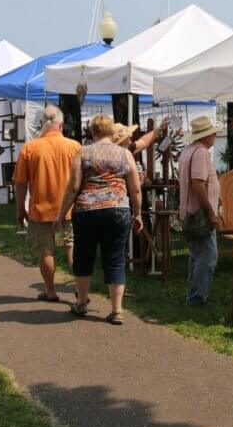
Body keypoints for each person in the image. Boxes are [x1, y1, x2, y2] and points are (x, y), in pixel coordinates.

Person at [57, 114, 142, 325]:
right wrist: (138, 213)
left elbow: (73, 187)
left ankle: (82, 302)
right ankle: (117, 310)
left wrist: (61, 214)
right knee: (115, 259)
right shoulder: (124, 154)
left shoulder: (83, 153)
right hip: (117, 209)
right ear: (112, 131)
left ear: (92, 131)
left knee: (83, 256)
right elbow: (136, 188)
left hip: (87, 210)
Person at [13, 106, 81, 302]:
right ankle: (79, 288)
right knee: (70, 246)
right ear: (61, 124)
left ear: (42, 124)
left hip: (40, 210)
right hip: (69, 209)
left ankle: (50, 291)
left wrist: (20, 209)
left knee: (45, 250)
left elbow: (20, 182)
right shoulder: (74, 146)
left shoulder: (30, 147)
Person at [178, 116, 221, 306]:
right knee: (208, 256)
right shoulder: (201, 153)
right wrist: (211, 212)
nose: (215, 137)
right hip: (200, 214)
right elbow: (198, 184)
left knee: (197, 255)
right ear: (207, 136)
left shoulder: (188, 151)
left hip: (190, 211)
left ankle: (195, 293)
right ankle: (197, 297)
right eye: (213, 134)